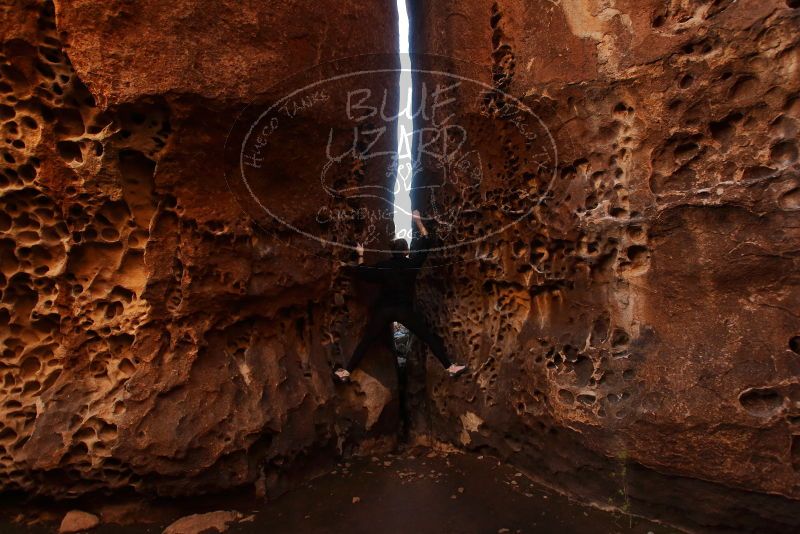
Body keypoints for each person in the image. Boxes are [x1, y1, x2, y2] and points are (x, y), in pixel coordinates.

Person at [334, 210, 467, 382]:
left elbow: (362, 273)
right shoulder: (411, 264)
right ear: (405, 251)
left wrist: (360, 254)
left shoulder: (384, 266)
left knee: (366, 341)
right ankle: (450, 367)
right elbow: (427, 243)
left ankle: (346, 372)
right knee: (427, 336)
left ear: (393, 252)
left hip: (384, 310)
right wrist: (418, 221)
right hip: (404, 310)